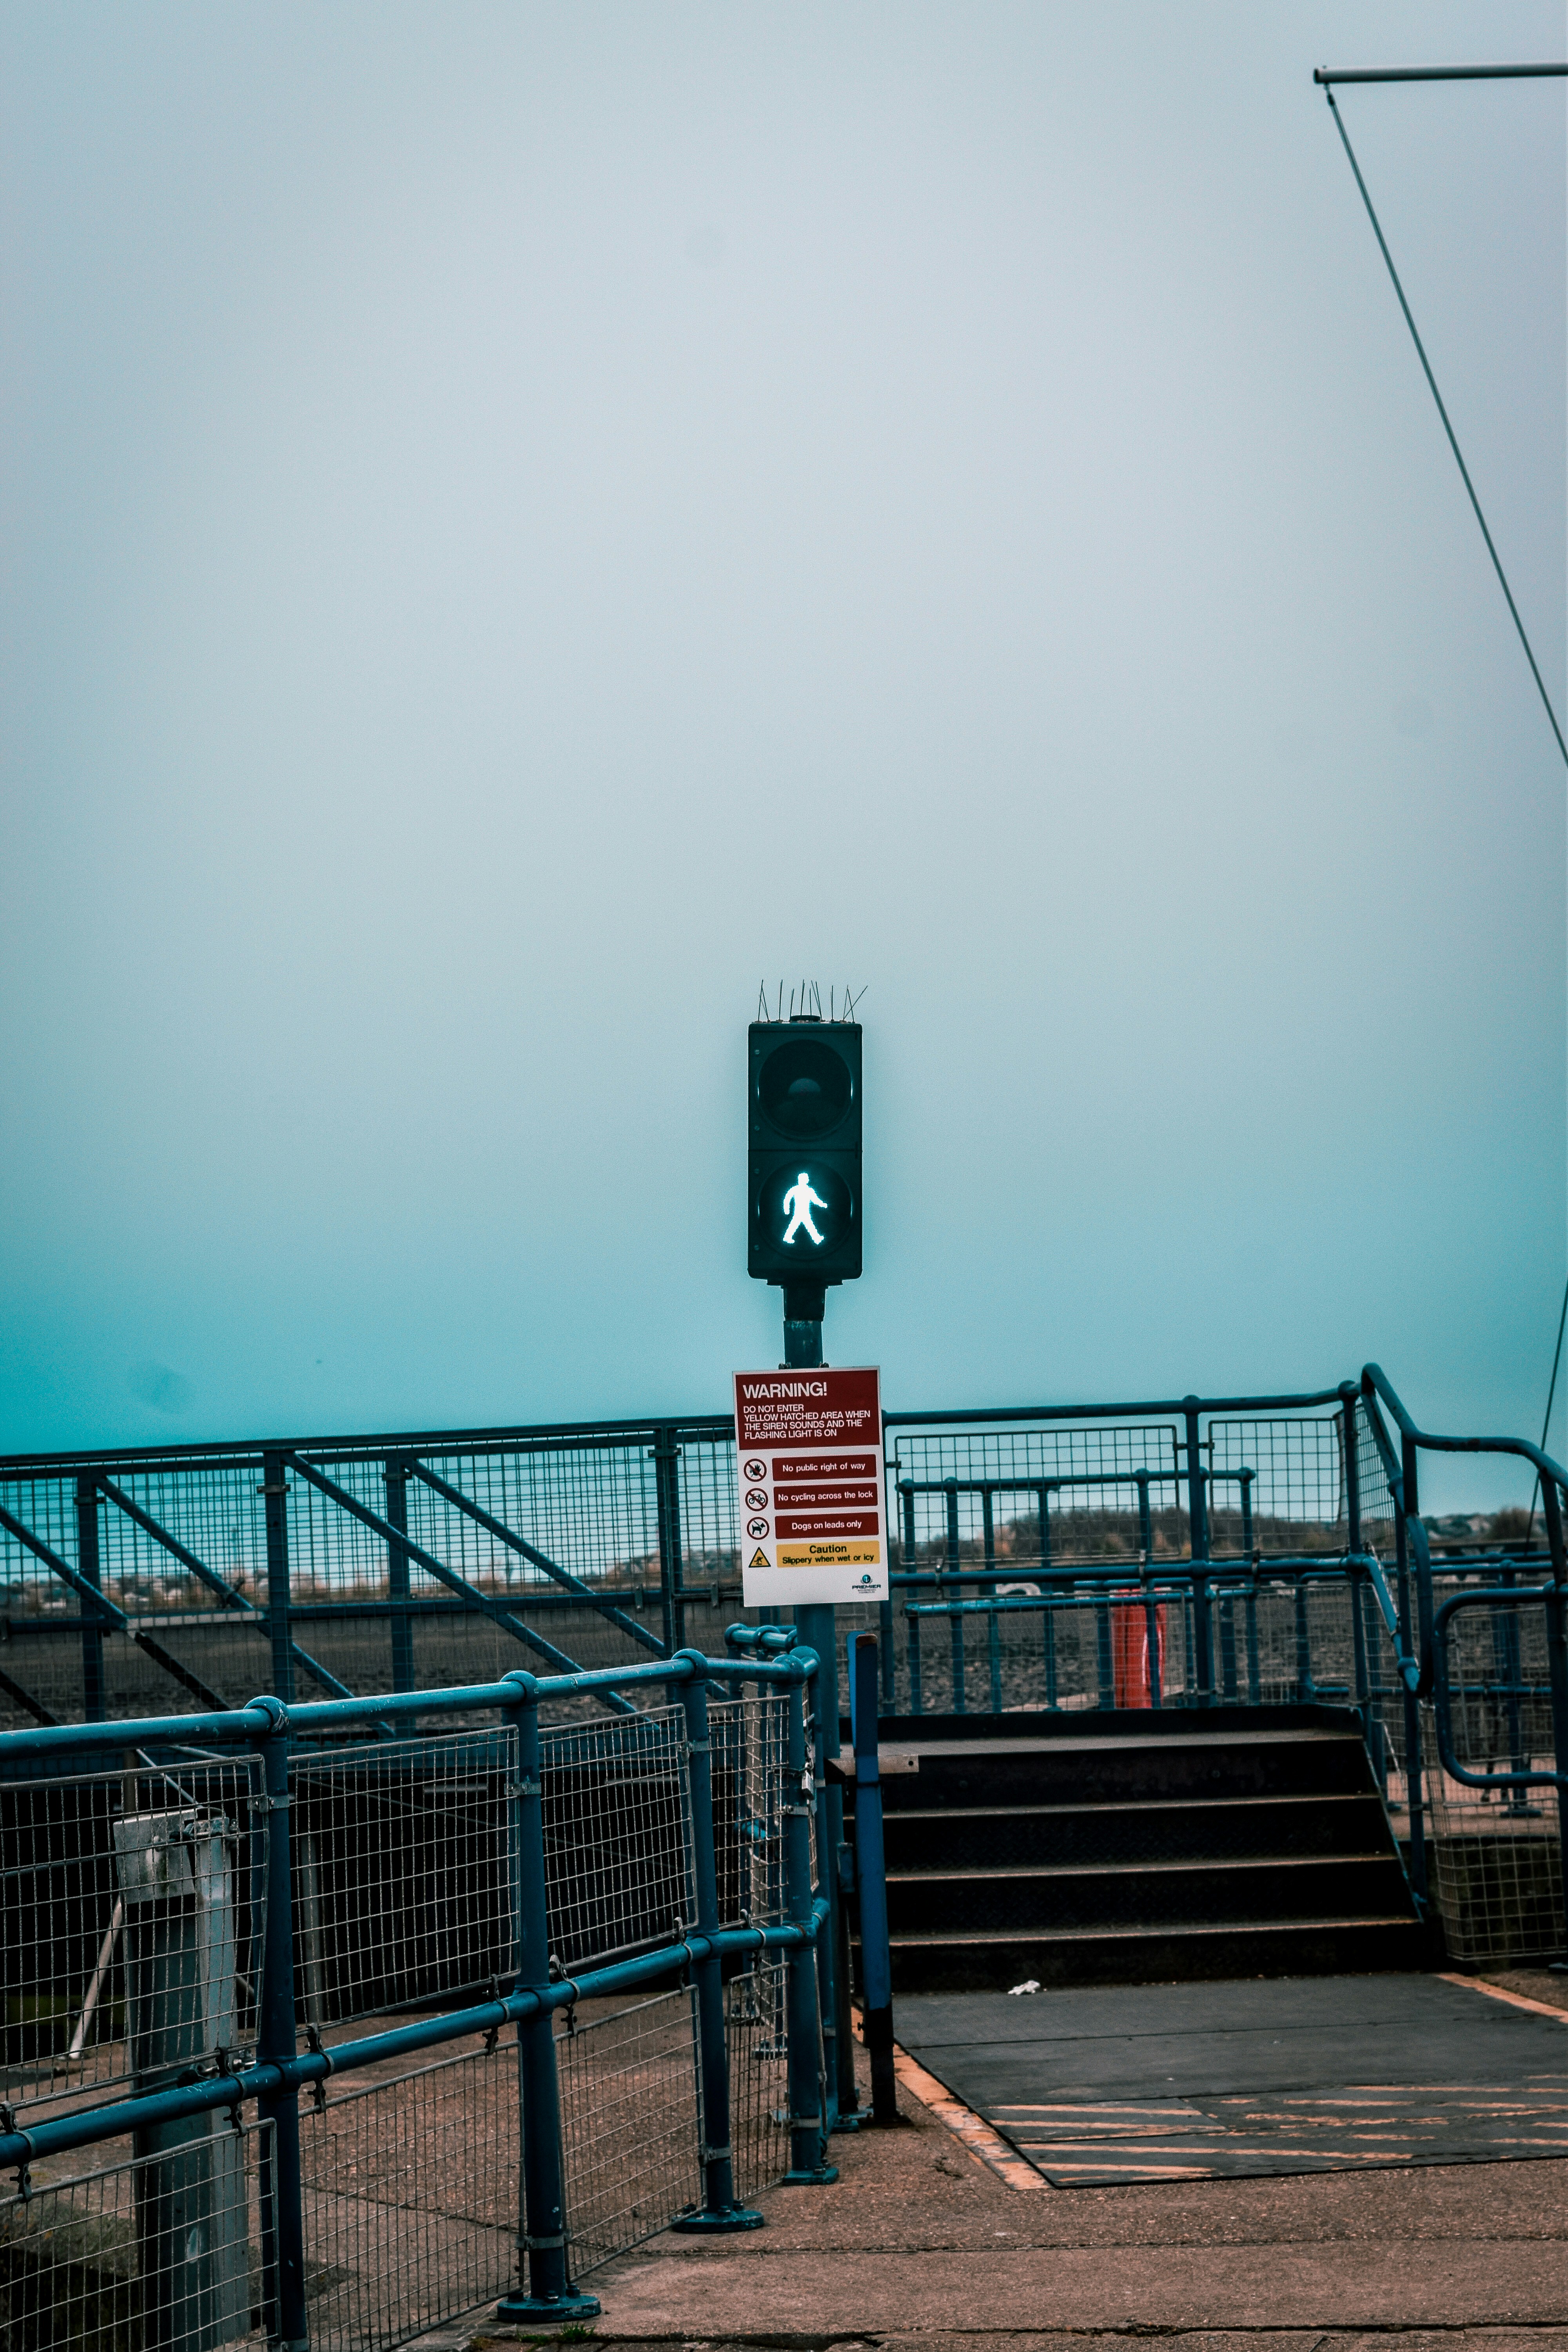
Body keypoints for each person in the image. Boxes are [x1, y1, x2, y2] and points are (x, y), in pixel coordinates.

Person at [781, 1171, 828, 1246]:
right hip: (800, 1212)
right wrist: (786, 1209)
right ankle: (817, 1239)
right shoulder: (796, 1189)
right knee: (805, 1225)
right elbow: (787, 1199)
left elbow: (816, 1200)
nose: (808, 1179)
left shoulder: (809, 1190)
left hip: (804, 1212)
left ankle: (817, 1239)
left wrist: (822, 1204)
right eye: (807, 1178)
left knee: (806, 1225)